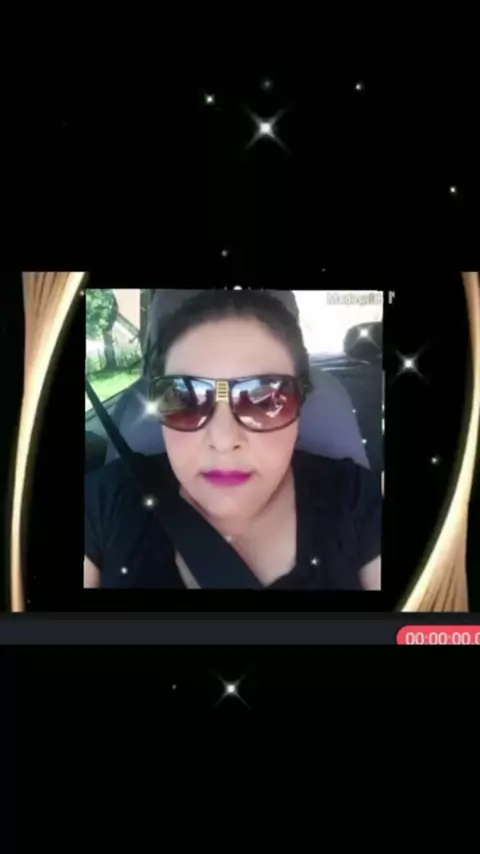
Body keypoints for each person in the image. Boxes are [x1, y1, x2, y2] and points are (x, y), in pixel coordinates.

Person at [84, 289, 381, 590]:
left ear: (300, 409)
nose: (224, 440)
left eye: (265, 401)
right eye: (185, 399)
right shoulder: (106, 502)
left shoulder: (358, 502)